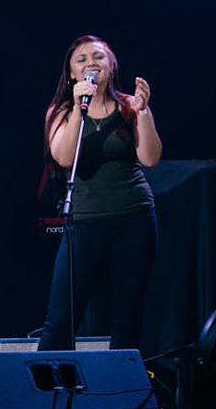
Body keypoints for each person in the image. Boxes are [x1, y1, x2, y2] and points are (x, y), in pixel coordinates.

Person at [39, 35, 161, 351]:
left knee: (126, 319)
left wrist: (143, 111)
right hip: (85, 221)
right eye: (81, 59)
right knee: (61, 319)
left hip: (134, 218)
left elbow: (150, 158)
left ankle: (122, 382)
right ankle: (47, 381)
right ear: (71, 73)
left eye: (98, 57)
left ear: (111, 66)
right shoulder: (62, 112)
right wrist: (78, 108)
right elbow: (64, 158)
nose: (91, 63)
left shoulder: (129, 106)